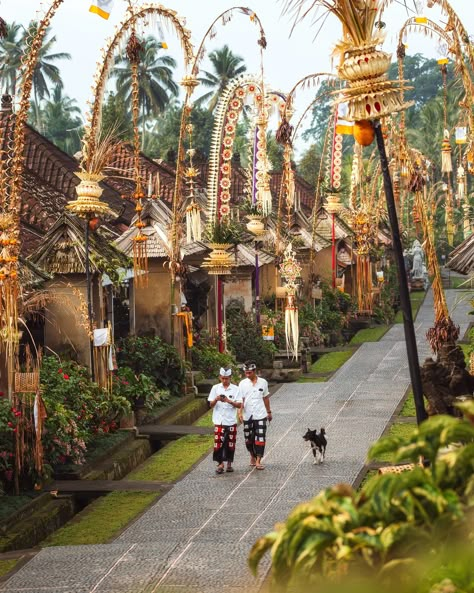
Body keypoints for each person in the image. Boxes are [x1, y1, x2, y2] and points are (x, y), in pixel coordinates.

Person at [238, 360, 271, 470]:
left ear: (254, 371)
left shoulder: (263, 382)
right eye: (246, 373)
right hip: (248, 415)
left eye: (249, 373)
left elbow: (265, 398)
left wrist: (269, 412)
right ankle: (252, 455)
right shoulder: (242, 384)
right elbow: (241, 400)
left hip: (260, 413)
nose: (247, 375)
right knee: (248, 438)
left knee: (260, 437)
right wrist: (239, 412)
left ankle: (258, 460)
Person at [208, 367, 242, 474]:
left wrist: (229, 401)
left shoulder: (236, 389)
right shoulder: (215, 388)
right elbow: (210, 405)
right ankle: (220, 464)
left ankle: (229, 464)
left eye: (226, 378)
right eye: (222, 378)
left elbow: (239, 404)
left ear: (230, 378)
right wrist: (216, 399)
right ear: (220, 377)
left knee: (230, 443)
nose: (224, 381)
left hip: (231, 420)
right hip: (219, 420)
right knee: (218, 443)